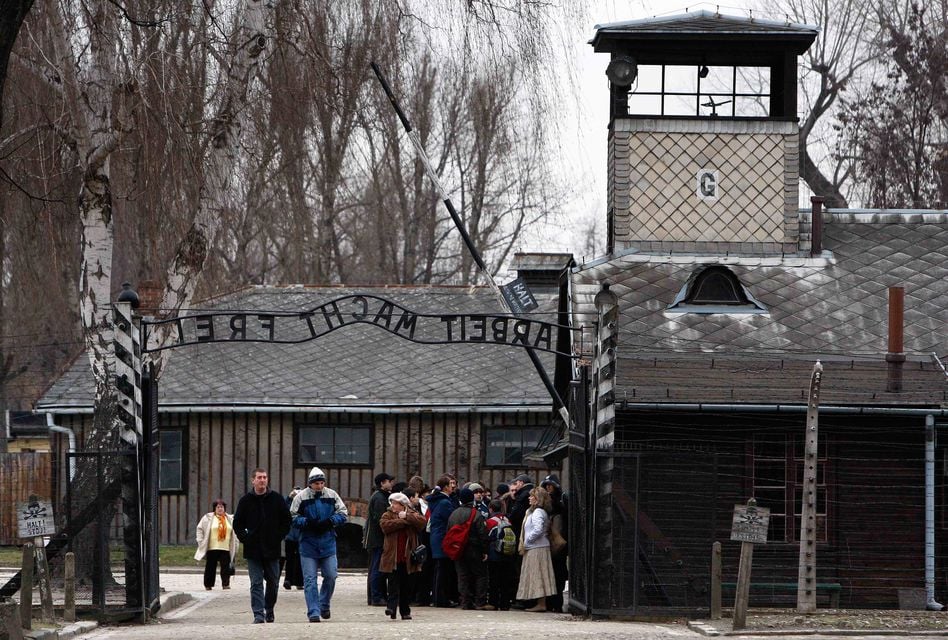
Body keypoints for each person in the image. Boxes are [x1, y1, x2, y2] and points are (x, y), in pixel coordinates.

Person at [233, 468, 291, 624]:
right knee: (256, 582)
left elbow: (287, 520)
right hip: (253, 550)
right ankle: (258, 614)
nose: (262, 480)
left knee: (273, 582)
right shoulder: (245, 501)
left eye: (265, 477)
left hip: (272, 548)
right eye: (259, 477)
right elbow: (237, 523)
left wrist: (279, 535)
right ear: (253, 480)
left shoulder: (277, 499)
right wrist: (245, 537)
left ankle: (269, 608)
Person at [291, 466, 348, 623]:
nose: (320, 486)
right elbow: (292, 517)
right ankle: (313, 611)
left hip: (328, 542)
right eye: (317, 483)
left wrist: (331, 521)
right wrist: (306, 522)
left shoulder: (332, 495)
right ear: (310, 484)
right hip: (308, 544)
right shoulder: (301, 498)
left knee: (331, 575)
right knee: (309, 580)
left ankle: (324, 603)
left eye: (322, 483)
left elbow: (343, 513)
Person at [379, 491, 426, 620]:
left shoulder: (411, 514)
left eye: (395, 503)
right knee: (393, 584)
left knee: (406, 585)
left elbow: (422, 522)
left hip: (408, 557)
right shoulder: (387, 514)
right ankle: (391, 608)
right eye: (392, 503)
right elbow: (385, 526)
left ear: (402, 504)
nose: (393, 506)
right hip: (392, 556)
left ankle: (405, 611)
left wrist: (407, 517)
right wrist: (403, 521)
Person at [448, 487, 490, 610]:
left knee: (462, 575)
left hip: (458, 549)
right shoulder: (476, 514)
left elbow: (448, 532)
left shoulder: (453, 514)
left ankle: (465, 602)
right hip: (474, 549)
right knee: (480, 575)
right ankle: (479, 602)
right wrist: (485, 550)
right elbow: (482, 533)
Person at [516, 487, 557, 612]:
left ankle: (541, 603)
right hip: (538, 546)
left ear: (537, 498)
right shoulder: (536, 511)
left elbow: (538, 529)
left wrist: (528, 540)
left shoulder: (538, 512)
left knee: (537, 574)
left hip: (536, 547)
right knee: (539, 574)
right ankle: (540, 602)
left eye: (531, 496)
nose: (529, 498)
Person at [427, 473, 458, 607]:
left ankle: (437, 597)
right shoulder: (445, 502)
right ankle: (441, 598)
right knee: (443, 570)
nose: (453, 487)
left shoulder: (436, 500)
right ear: (445, 487)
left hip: (436, 536)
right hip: (442, 537)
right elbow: (452, 518)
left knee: (439, 569)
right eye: (450, 484)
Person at [194, 498, 238, 591]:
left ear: (224, 508)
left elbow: (234, 533)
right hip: (212, 547)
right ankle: (208, 584)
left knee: (225, 567)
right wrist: (200, 541)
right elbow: (199, 529)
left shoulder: (230, 519)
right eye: (218, 507)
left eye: (222, 507)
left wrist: (236, 545)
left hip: (225, 547)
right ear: (214, 508)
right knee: (210, 567)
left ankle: (225, 584)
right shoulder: (208, 517)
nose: (220, 509)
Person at [365, 472, 395, 606]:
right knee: (377, 567)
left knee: (377, 567)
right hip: (378, 539)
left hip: (378, 538)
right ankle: (376, 597)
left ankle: (376, 596)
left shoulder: (381, 497)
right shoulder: (379, 498)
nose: (391, 483)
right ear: (382, 483)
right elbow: (380, 520)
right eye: (389, 481)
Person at [541, 473, 568, 612]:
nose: (548, 488)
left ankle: (557, 604)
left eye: (550, 485)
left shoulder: (561, 500)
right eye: (546, 486)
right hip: (549, 542)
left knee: (558, 574)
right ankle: (551, 603)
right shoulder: (546, 502)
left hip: (559, 541)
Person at [505, 473, 534, 603]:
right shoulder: (527, 494)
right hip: (525, 536)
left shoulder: (522, 496)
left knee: (518, 568)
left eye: (516, 485)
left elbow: (515, 515)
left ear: (521, 483)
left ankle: (520, 598)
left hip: (521, 536)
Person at [485, 498, 516, 610]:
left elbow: (487, 537)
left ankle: (493, 602)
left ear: (491, 509)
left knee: (494, 580)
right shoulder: (507, 520)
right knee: (505, 580)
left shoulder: (491, 521)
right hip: (507, 553)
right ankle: (505, 603)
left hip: (495, 554)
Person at [283, 487, 304, 590]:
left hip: (301, 536)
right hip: (290, 536)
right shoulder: (289, 503)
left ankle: (300, 582)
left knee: (300, 559)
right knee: (289, 559)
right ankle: (288, 580)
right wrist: (289, 497)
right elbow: (283, 511)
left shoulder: (303, 502)